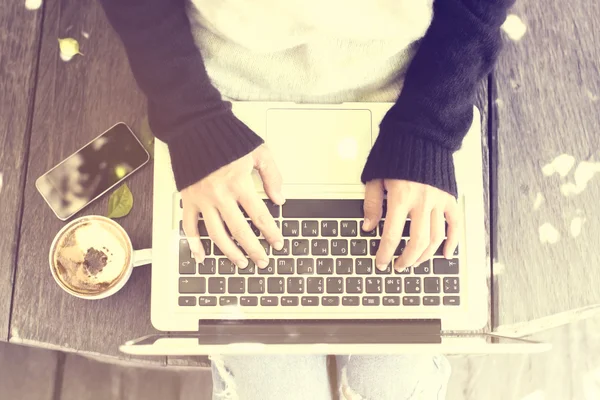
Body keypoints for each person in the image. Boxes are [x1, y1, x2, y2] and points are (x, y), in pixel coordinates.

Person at [99, 0, 513, 398]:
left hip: (408, 87)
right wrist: (191, 118)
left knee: (393, 385)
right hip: (224, 95)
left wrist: (429, 125)